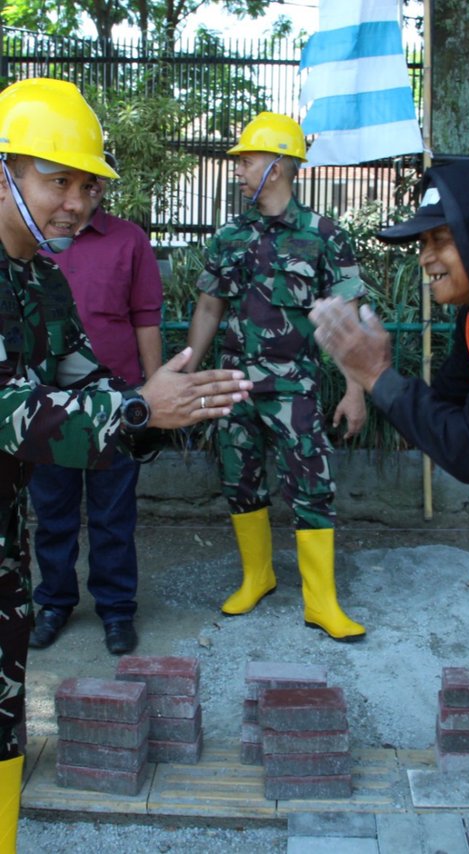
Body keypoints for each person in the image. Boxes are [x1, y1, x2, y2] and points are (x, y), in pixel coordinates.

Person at [0, 76, 252, 852]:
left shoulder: (41, 279)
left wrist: (158, 409)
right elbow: (15, 414)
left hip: (5, 543)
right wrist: (141, 408)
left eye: (86, 184)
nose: (75, 202)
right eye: (56, 179)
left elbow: (83, 382)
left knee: (6, 716)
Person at [187, 112, 367, 644]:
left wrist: (355, 389)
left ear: (280, 165)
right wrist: (185, 378)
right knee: (239, 481)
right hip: (233, 385)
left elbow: (348, 320)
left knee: (312, 489)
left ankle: (321, 602)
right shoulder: (229, 237)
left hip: (295, 389)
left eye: (247, 159)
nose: (239, 169)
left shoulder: (324, 236)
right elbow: (207, 308)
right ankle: (257, 577)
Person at [28, 177, 163, 655]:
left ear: (102, 187)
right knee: (52, 511)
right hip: (47, 401)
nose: (78, 197)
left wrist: (152, 396)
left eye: (91, 185)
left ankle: (116, 608)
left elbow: (146, 317)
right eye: (66, 182)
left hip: (116, 397)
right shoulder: (33, 237)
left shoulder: (128, 240)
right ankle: (55, 602)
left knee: (113, 513)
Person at [309, 157, 469, 485]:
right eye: (423, 243)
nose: (425, 257)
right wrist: (373, 374)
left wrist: (375, 374)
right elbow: (445, 405)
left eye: (441, 238)